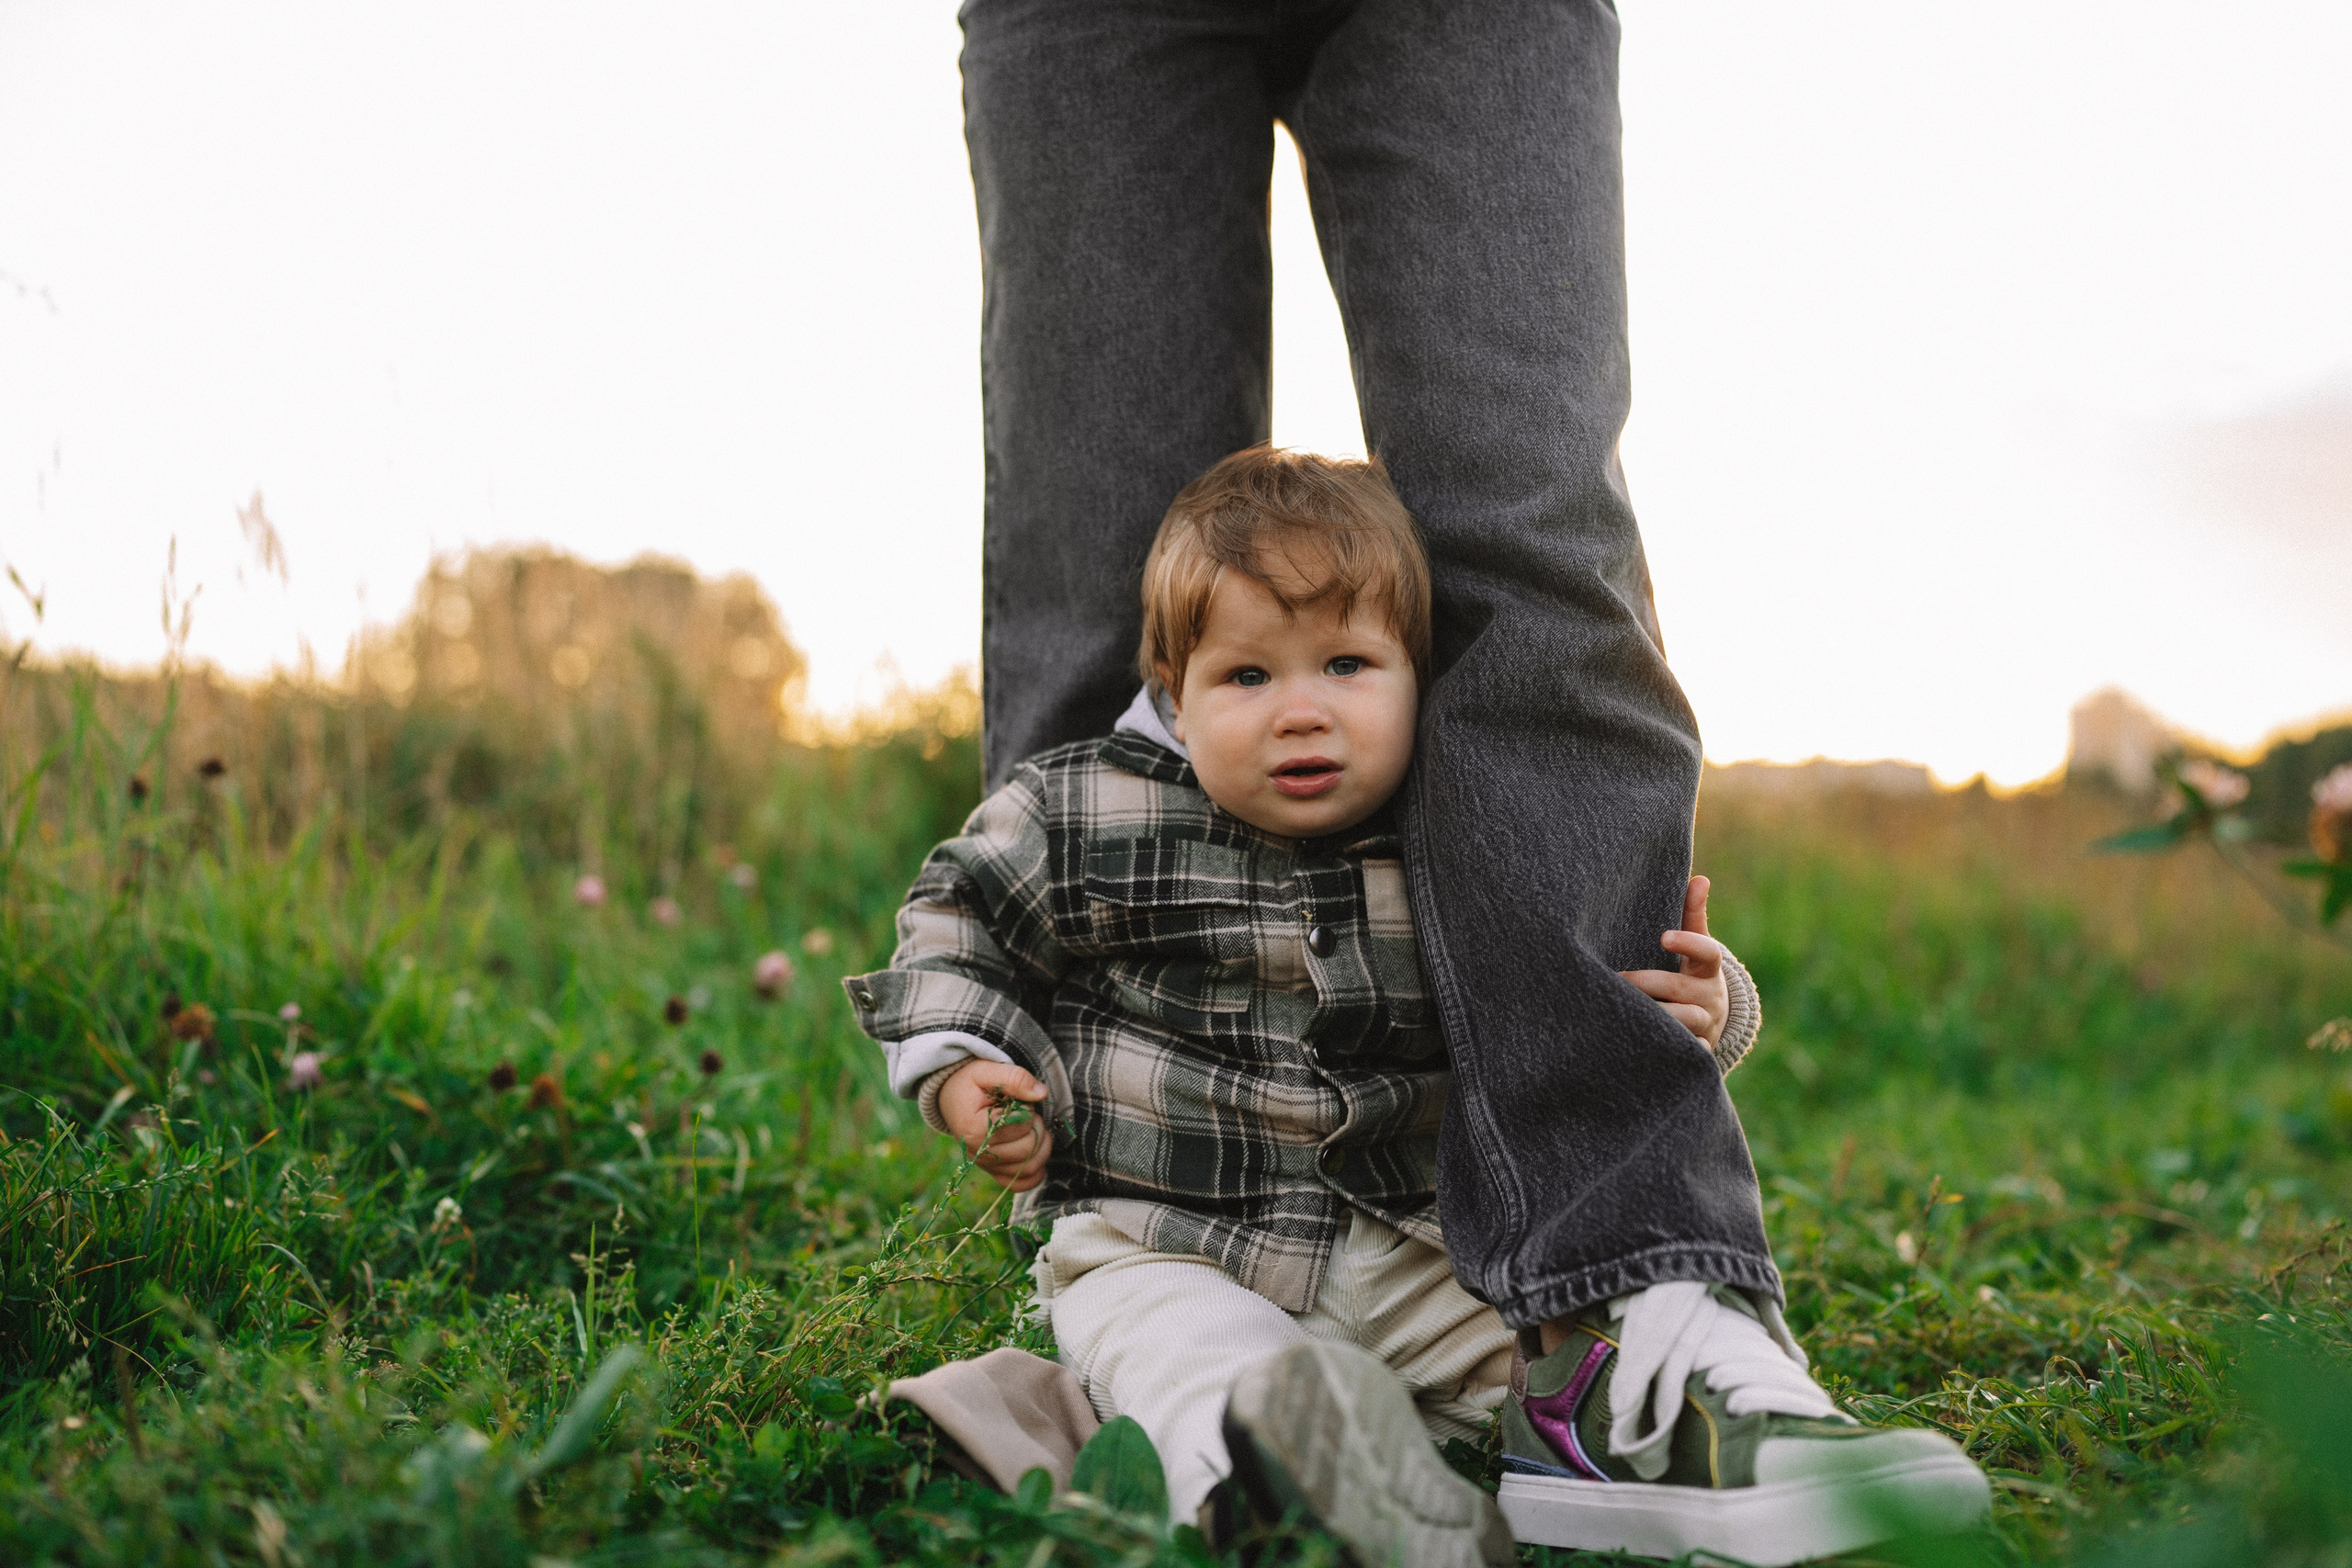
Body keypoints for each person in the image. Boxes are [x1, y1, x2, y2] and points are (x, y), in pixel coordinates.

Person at [847, 450, 1984, 1562]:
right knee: (1206, 1370)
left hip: (1422, 1250)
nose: (1300, 712)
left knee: (1556, 1353)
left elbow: (1568, 988)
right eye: (1247, 677)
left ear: (1416, 673)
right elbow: (955, 919)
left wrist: (1699, 1007)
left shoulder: (1462, 815)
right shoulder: (1079, 806)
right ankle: (1291, 1492)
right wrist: (957, 1063)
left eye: (1346, 665)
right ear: (1172, 699)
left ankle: (1640, 1433)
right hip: (1168, 1242)